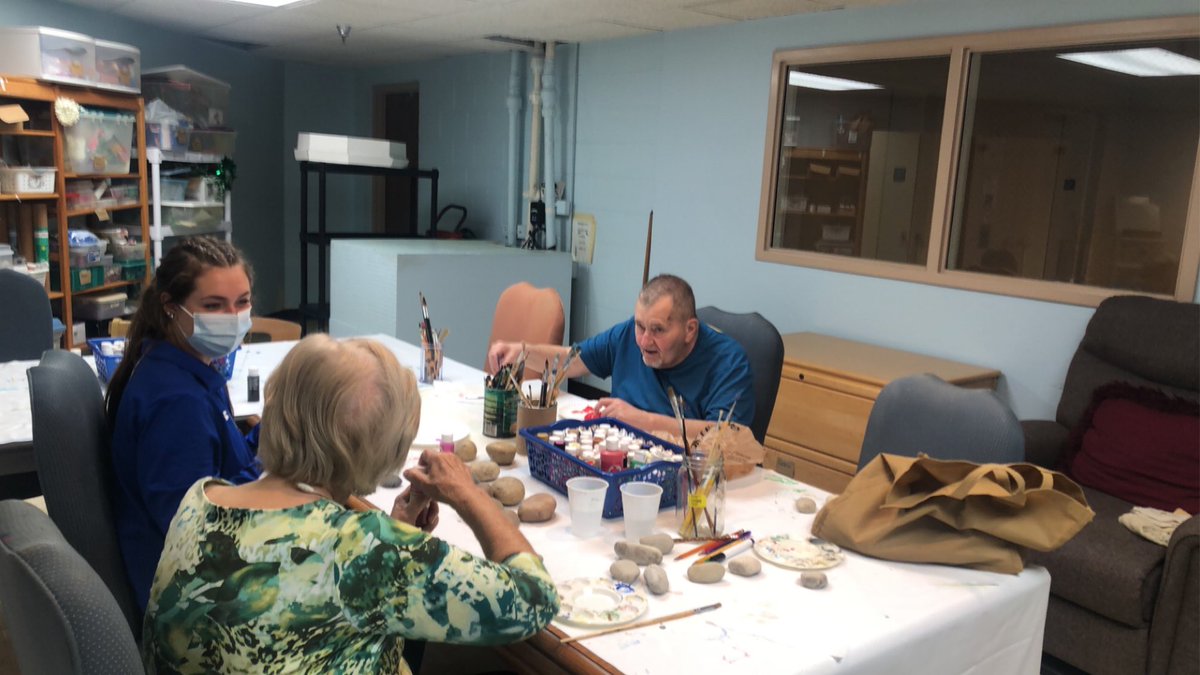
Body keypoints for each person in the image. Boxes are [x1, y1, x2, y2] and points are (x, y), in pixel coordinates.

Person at [142, 335, 559, 674]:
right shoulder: (361, 548)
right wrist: (467, 493)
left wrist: (393, 529)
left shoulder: (200, 499)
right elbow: (535, 600)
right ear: (379, 452)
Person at [105, 237, 260, 611]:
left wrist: (276, 436)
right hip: (190, 606)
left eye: (242, 302)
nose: (234, 317)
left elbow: (226, 467)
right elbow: (194, 532)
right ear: (171, 307)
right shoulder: (176, 403)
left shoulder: (188, 366)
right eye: (213, 306)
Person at [488, 274, 754, 438]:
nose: (644, 341)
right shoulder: (629, 334)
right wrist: (524, 353)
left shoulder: (727, 361)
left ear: (690, 330)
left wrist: (645, 421)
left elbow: (727, 436)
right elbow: (573, 360)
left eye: (658, 330)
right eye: (641, 326)